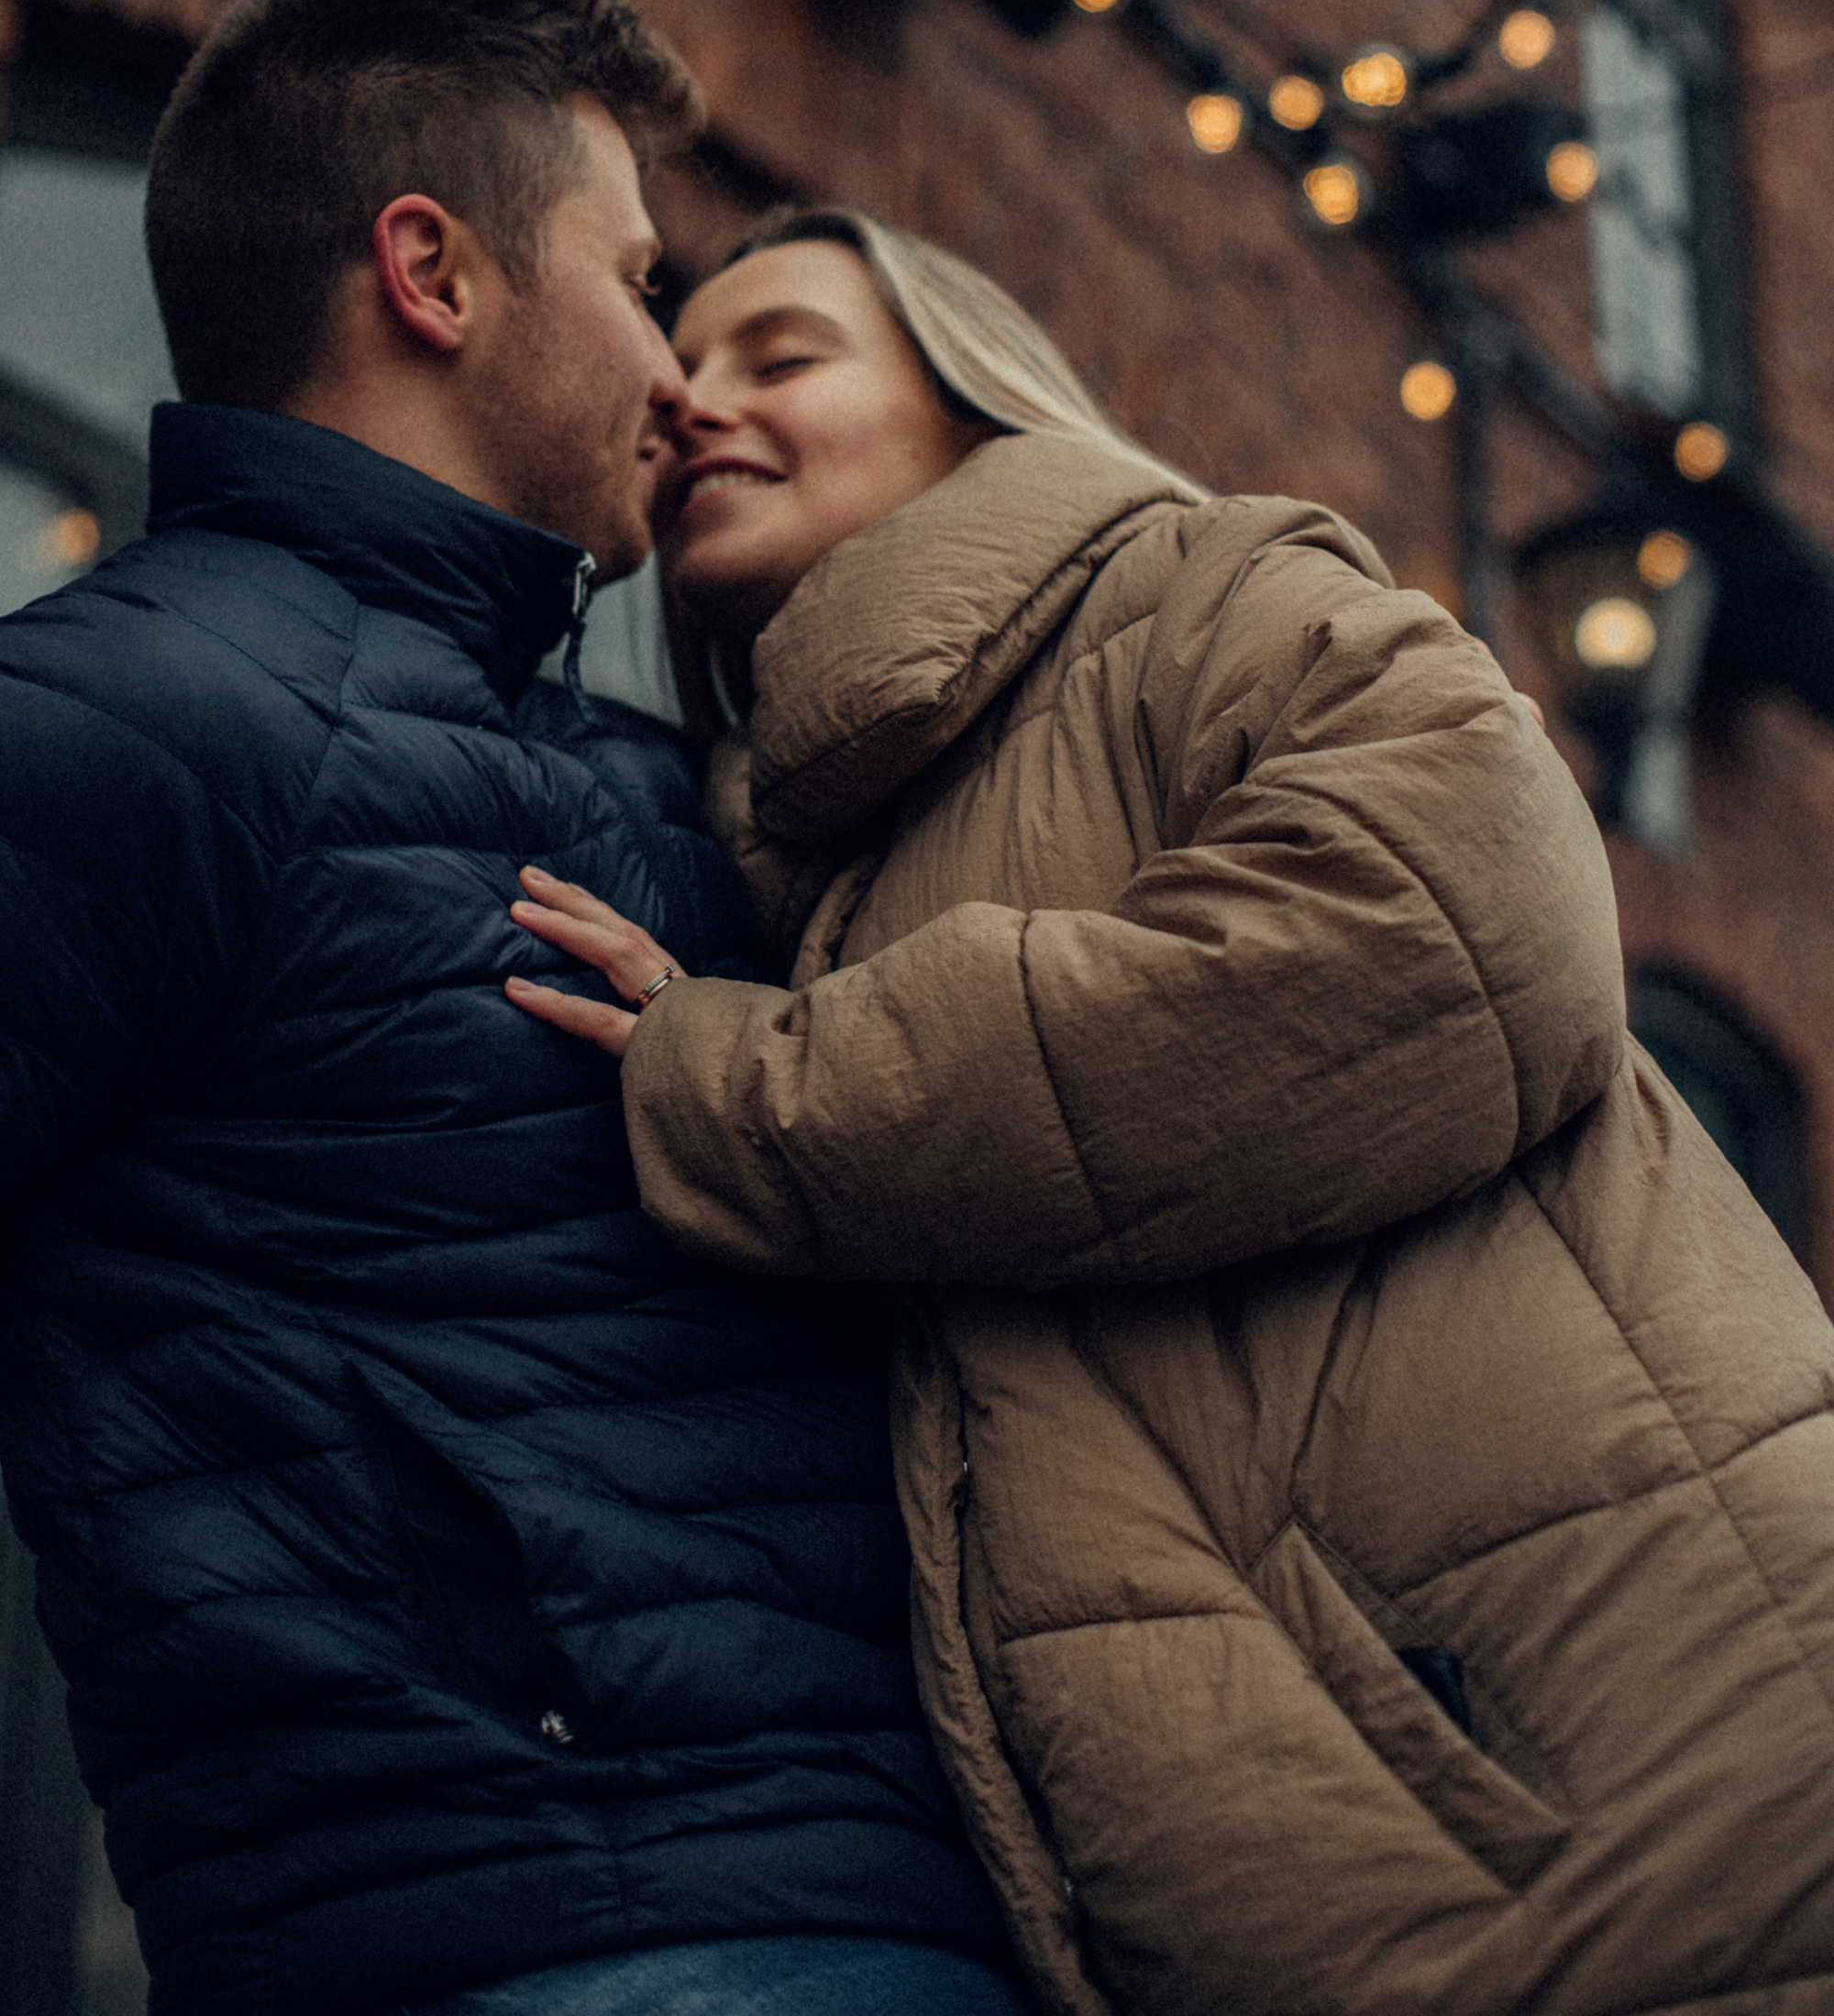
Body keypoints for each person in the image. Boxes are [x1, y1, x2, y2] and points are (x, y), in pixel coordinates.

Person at [511, 204, 1834, 2016]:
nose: (693, 400)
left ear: (975, 402)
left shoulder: (1189, 593)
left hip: (1629, 1796)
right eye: (682, 366)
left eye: (785, 353)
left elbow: (1445, 935)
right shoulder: (811, 860)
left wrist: (756, 1087)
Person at [0, 0, 1026, 2016]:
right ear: (433, 274)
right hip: (540, 1926)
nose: (680, 373)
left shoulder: (638, 778)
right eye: (641, 278)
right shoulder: (138, 716)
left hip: (910, 1908)